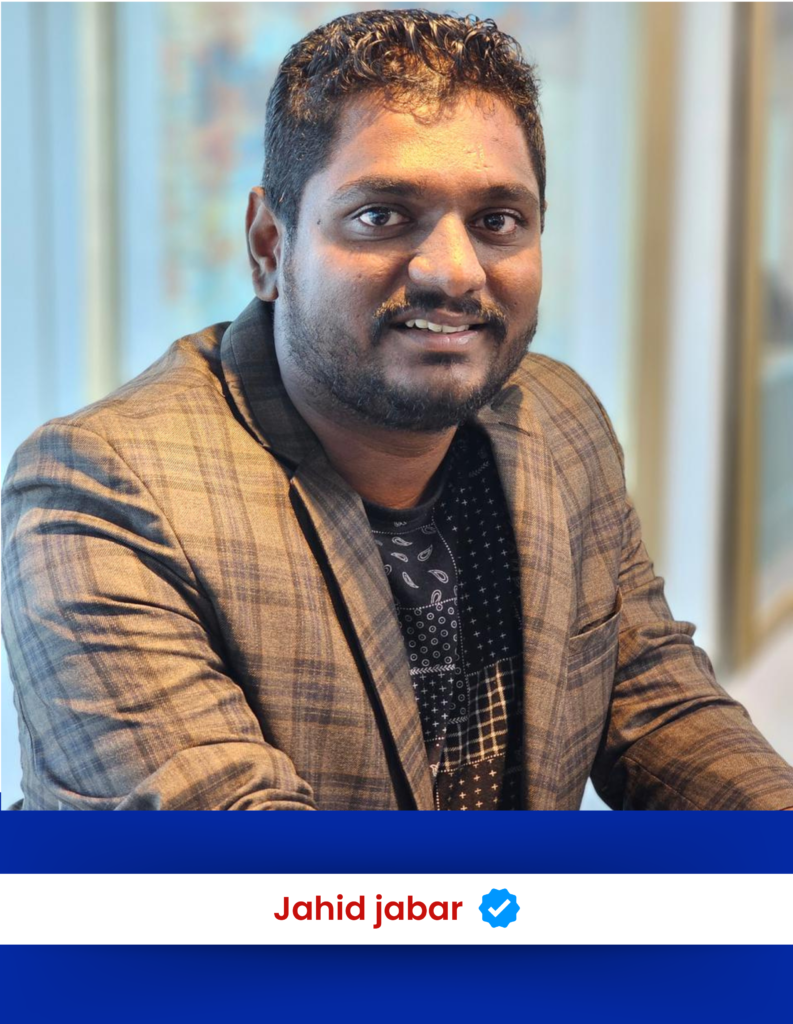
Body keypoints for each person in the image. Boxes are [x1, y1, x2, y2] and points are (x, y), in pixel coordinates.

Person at [3, 9, 793, 811]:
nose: (453, 273)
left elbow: (657, 706)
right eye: (381, 216)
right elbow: (247, 865)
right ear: (270, 245)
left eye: (496, 222)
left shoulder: (560, 418)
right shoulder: (101, 495)